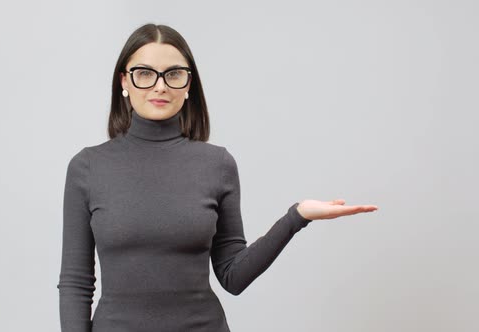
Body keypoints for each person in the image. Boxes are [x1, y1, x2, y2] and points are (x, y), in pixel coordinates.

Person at [57, 23, 378, 332]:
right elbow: (76, 280)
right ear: (124, 82)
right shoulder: (88, 167)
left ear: (188, 84)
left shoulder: (217, 164)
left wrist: (297, 217)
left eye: (173, 74)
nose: (160, 85)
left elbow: (233, 276)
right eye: (144, 73)